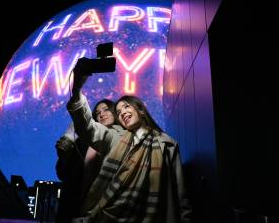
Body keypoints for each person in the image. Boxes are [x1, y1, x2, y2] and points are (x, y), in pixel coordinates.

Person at [67, 68, 192, 223]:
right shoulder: (114, 136)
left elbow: (179, 192)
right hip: (109, 214)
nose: (122, 113)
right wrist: (77, 89)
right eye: (118, 112)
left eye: (126, 107)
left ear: (141, 110)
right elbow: (87, 127)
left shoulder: (167, 144)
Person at [55, 98, 122, 223]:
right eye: (97, 113)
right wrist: (64, 157)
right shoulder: (83, 140)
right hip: (74, 204)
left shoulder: (125, 139)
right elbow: (63, 173)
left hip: (107, 206)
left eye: (106, 109)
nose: (102, 114)